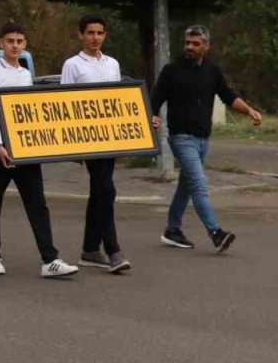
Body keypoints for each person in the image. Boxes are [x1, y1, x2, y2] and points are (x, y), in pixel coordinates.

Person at [152, 25, 262, 254]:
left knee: (186, 186)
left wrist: (249, 110)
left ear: (206, 46)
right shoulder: (172, 70)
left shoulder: (212, 71)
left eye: (195, 44)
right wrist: (151, 117)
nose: (190, 47)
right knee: (199, 185)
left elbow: (228, 96)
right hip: (181, 137)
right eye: (187, 43)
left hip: (203, 138)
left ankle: (172, 229)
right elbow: (155, 98)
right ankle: (215, 233)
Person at [0, 24, 78, 278]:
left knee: (37, 202)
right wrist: (0, 144)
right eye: (10, 40)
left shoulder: (24, 74)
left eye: (20, 41)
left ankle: (50, 259)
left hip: (23, 148)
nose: (15, 45)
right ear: (1, 43)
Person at [60, 14, 130, 273]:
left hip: (110, 137)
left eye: (99, 33)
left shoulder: (112, 64)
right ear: (81, 35)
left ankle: (90, 249)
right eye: (90, 33)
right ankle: (113, 250)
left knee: (100, 191)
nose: (95, 38)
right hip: (87, 138)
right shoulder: (73, 65)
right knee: (106, 189)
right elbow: (64, 103)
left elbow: (119, 100)